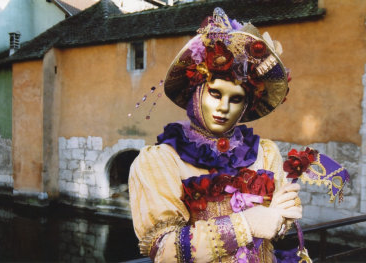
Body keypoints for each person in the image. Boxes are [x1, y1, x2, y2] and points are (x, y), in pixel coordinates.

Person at [129, 8, 302, 263]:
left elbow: (273, 233)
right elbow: (164, 251)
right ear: (196, 93)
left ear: (245, 106)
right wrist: (245, 225)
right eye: (215, 94)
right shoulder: (161, 161)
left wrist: (281, 217)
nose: (224, 108)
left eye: (236, 99)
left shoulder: (265, 153)